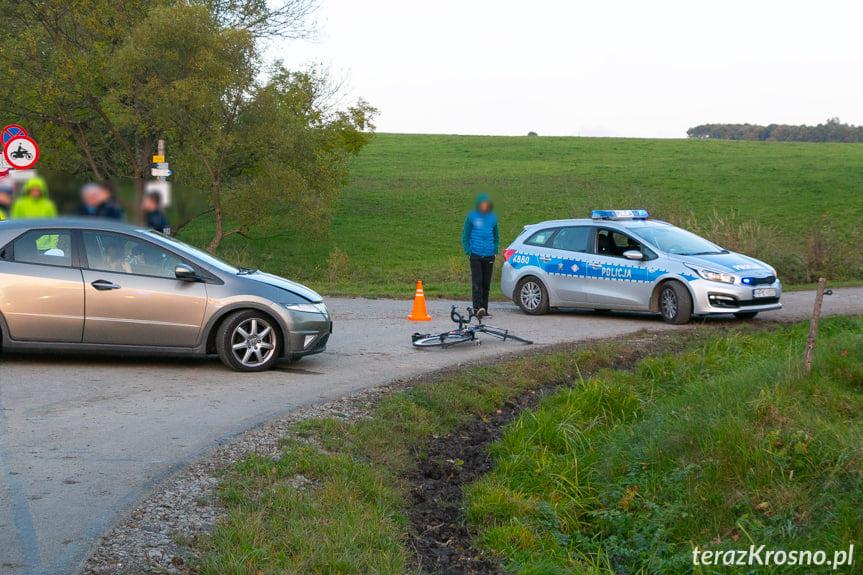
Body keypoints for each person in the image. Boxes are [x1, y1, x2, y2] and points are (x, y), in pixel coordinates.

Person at [461, 192, 499, 319]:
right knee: (477, 282)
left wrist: (495, 251)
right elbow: (464, 236)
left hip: (489, 254)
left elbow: (496, 236)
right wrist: (469, 252)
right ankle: (477, 308)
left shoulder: (493, 218)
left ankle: (485, 309)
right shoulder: (471, 217)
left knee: (486, 284)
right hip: (476, 254)